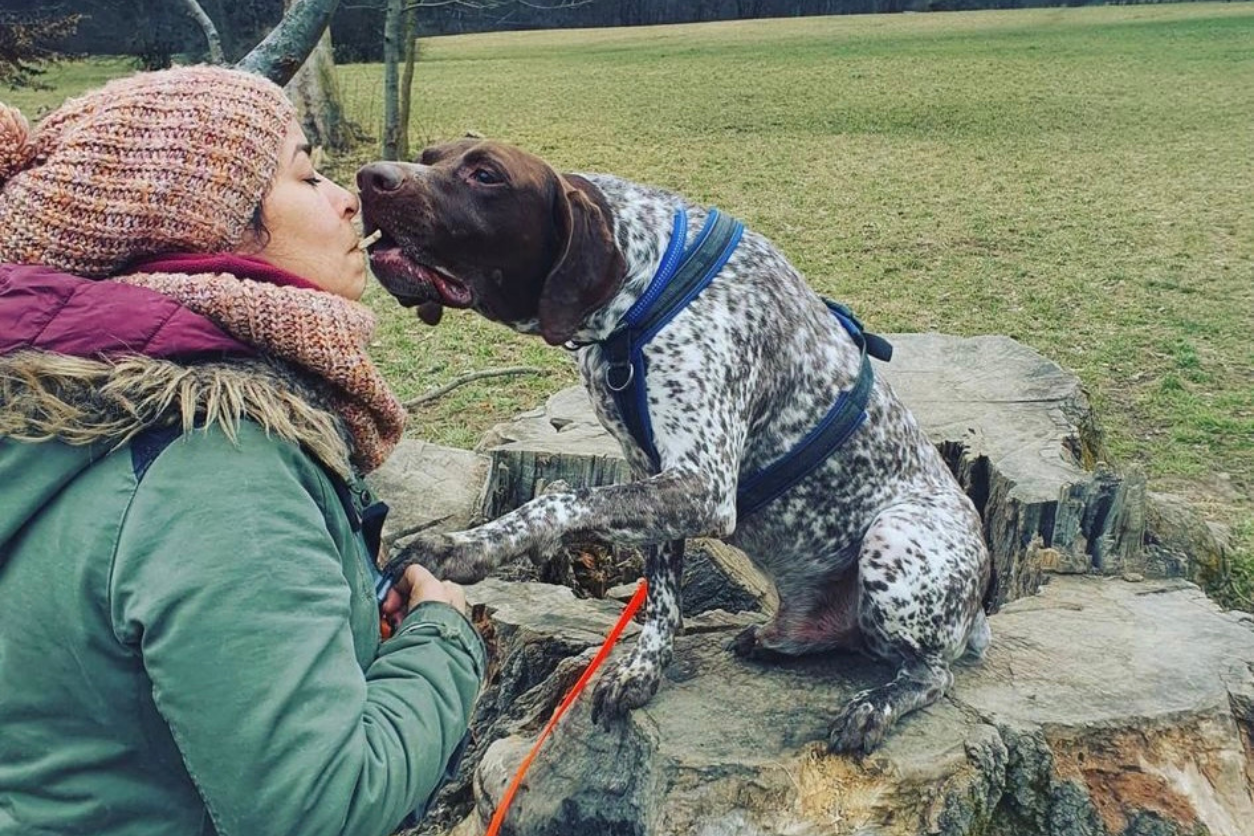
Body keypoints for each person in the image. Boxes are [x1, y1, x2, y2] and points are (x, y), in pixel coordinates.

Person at [0, 66, 486, 836]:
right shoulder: (220, 465)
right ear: (202, 231)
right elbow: (320, 809)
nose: (347, 199)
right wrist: (443, 636)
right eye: (307, 174)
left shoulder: (70, 416)